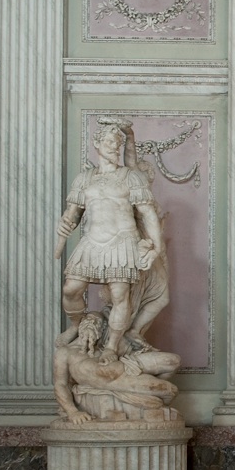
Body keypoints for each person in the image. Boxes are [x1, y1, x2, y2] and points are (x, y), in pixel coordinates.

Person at [55, 117, 165, 364]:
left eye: (117, 143)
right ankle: (76, 325)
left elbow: (148, 213)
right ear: (97, 143)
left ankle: (112, 347)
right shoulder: (84, 178)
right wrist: (65, 221)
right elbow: (73, 213)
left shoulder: (130, 177)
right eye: (109, 142)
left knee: (119, 296)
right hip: (91, 242)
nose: (114, 147)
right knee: (70, 289)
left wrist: (156, 247)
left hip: (122, 241)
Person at [53, 310, 180, 424]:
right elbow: (60, 384)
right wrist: (73, 412)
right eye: (89, 320)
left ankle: (146, 395)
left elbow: (127, 331)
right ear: (80, 325)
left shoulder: (106, 348)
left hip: (128, 365)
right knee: (171, 391)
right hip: (121, 381)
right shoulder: (65, 352)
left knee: (173, 361)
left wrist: (138, 347)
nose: (93, 324)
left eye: (98, 323)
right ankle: (145, 398)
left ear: (102, 330)